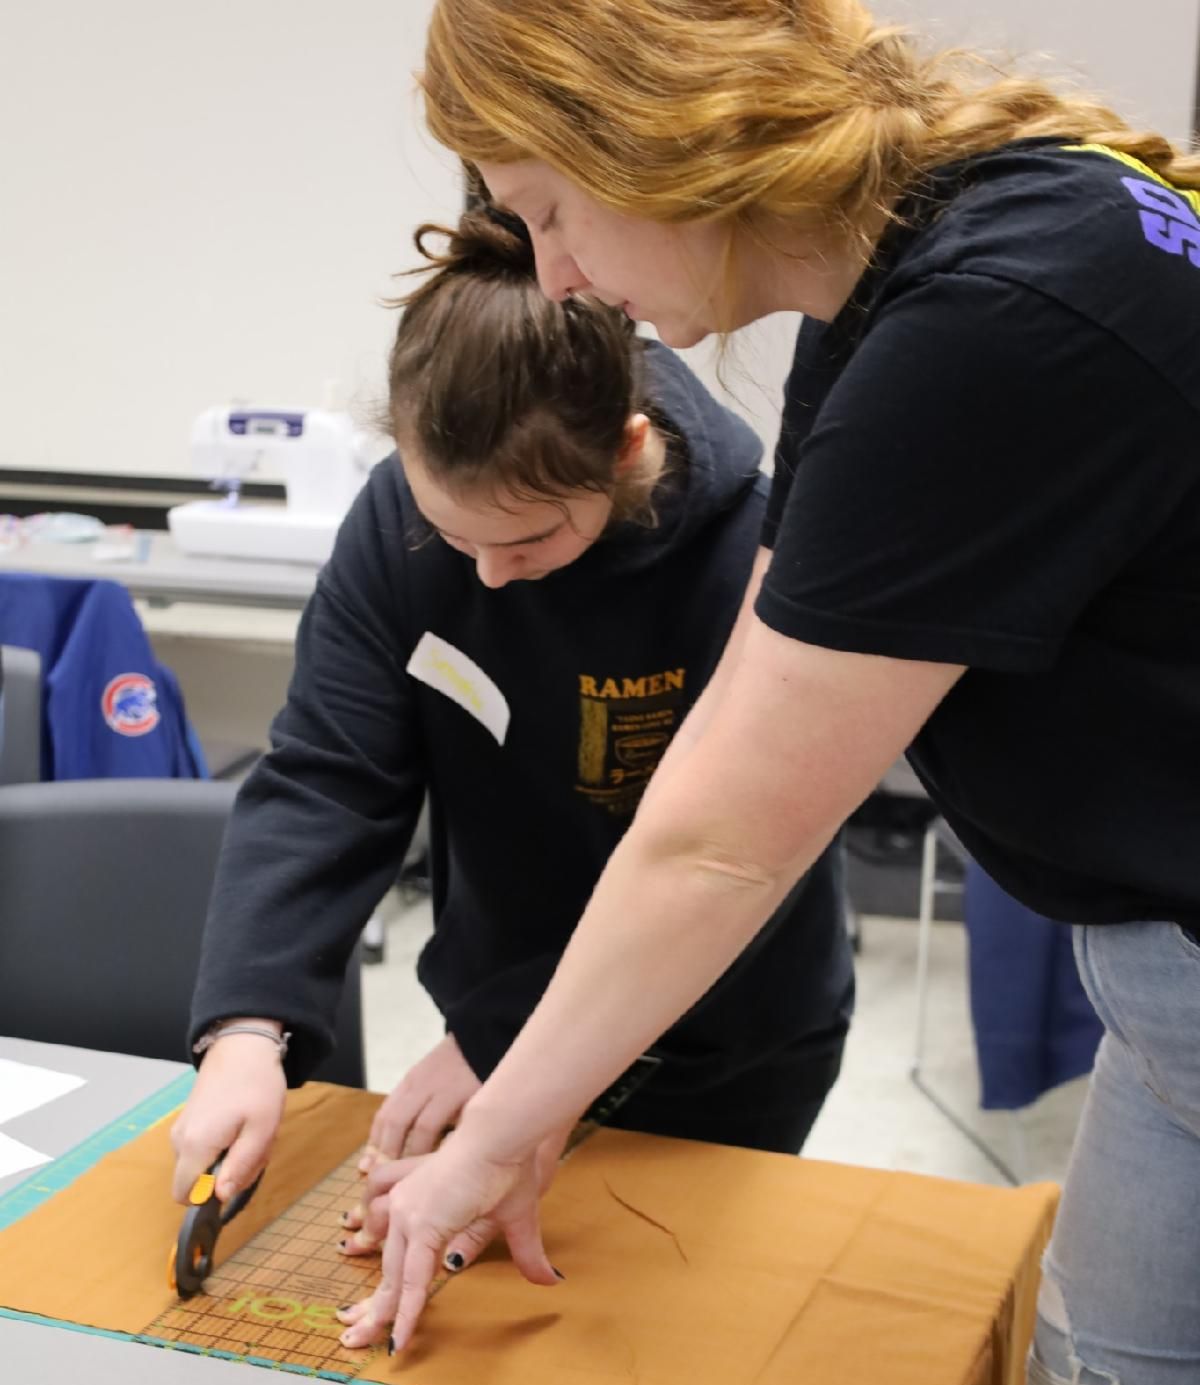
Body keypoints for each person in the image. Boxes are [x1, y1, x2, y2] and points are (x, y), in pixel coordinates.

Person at [334, 2, 1200, 1379]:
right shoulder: (919, 277)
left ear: (655, 136)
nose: (551, 277)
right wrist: (538, 1075)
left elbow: (731, 836)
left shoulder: (987, 318)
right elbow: (735, 723)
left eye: (551, 212)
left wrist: (498, 1136)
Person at [170, 205, 855, 1256]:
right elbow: (326, 777)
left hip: (725, 1041)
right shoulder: (397, 527)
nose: (486, 573)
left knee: (660, 1308)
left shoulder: (747, 561)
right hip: (492, 1014)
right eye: (455, 535)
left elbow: (727, 861)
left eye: (530, 537)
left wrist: (510, 1043)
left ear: (627, 451)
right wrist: (247, 1030)